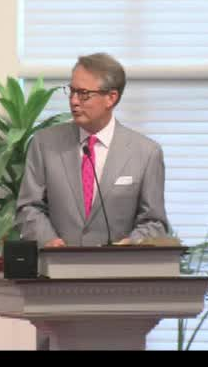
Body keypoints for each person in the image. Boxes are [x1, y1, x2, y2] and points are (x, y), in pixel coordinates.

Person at [16, 52, 168, 247]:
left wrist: (132, 243)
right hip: (58, 263)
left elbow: (154, 221)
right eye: (72, 91)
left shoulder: (146, 153)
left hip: (119, 264)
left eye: (83, 94)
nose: (74, 101)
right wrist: (49, 240)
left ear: (111, 98)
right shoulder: (44, 144)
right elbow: (28, 207)